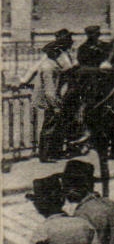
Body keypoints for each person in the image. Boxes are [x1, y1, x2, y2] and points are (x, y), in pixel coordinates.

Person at [21, 30, 74, 161]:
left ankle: (55, 152)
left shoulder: (53, 65)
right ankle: (45, 155)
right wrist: (55, 105)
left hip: (55, 99)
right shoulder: (49, 68)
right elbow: (49, 90)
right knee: (49, 127)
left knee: (56, 126)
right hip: (52, 101)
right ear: (56, 55)